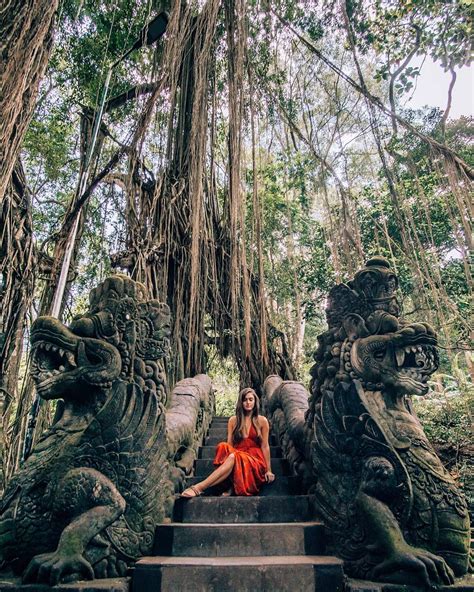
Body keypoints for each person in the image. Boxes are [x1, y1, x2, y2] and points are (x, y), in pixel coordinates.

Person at [180, 387, 275, 497]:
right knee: (223, 446)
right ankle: (231, 485)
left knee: (233, 457)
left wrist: (269, 470)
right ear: (241, 402)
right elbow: (230, 444)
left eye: (250, 399)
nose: (248, 403)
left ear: (255, 401)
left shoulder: (262, 421)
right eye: (245, 400)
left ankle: (199, 488)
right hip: (237, 455)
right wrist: (231, 455)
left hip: (254, 459)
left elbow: (265, 446)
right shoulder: (233, 421)